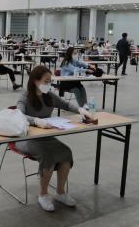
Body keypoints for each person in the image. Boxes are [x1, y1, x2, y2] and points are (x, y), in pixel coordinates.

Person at [15, 65, 94, 211]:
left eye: (50, 81)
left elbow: (65, 104)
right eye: (46, 81)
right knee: (48, 156)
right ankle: (43, 194)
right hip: (26, 138)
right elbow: (19, 115)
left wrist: (80, 110)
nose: (48, 84)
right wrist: (36, 121)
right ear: (35, 81)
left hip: (46, 136)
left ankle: (60, 193)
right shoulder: (25, 97)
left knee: (66, 153)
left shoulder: (49, 95)